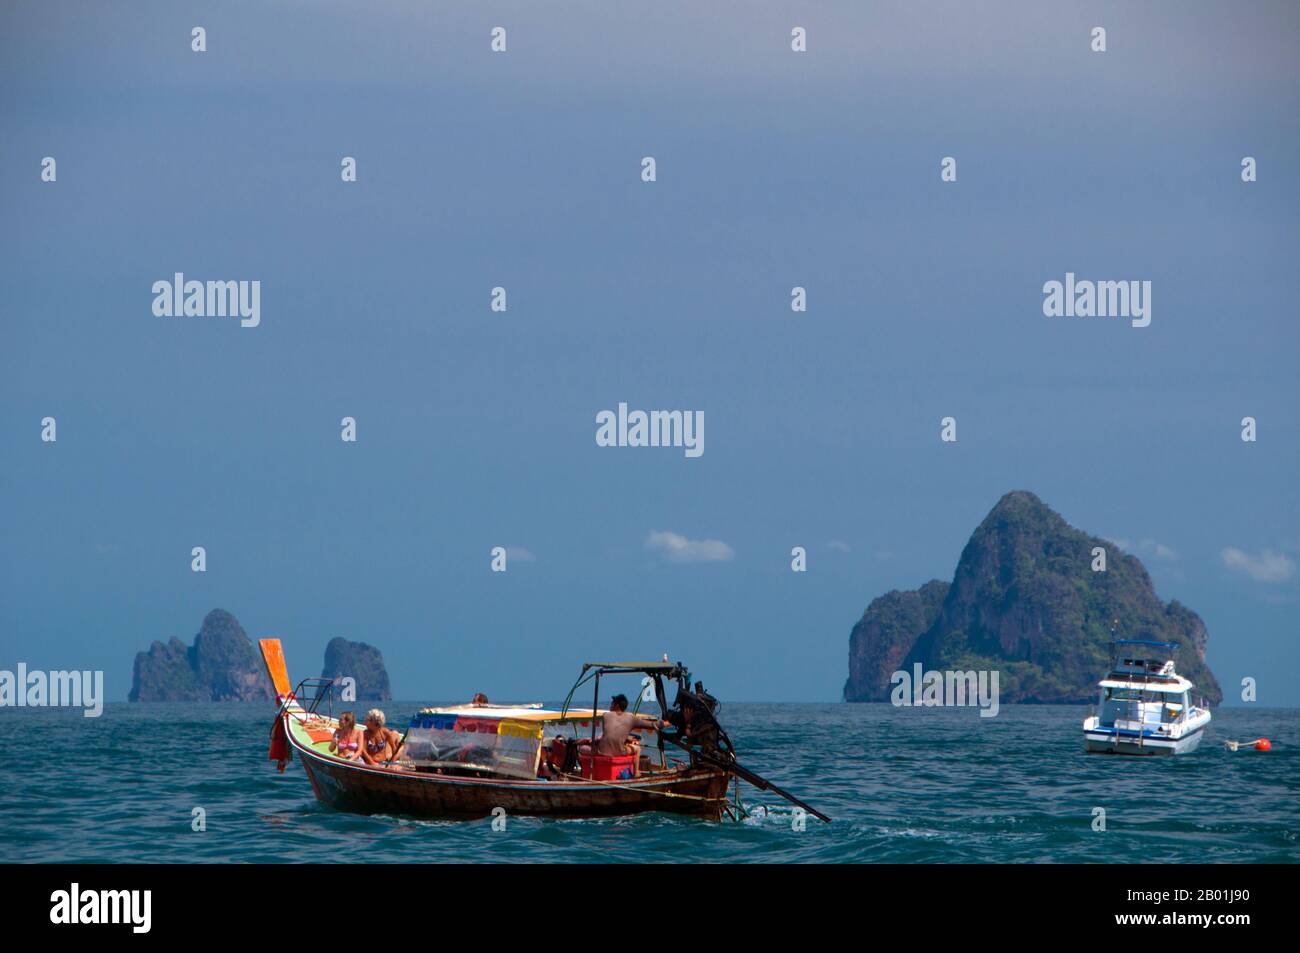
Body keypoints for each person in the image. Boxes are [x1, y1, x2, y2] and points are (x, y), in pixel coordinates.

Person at [587, 694, 664, 758]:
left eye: (612, 704)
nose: (610, 706)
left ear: (617, 705)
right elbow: (652, 725)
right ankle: (636, 772)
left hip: (602, 752)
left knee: (582, 748)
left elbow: (611, 735)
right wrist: (666, 723)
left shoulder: (606, 715)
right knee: (637, 749)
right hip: (620, 752)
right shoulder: (631, 717)